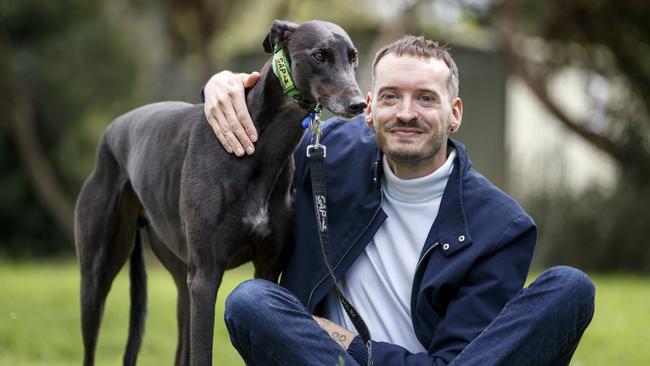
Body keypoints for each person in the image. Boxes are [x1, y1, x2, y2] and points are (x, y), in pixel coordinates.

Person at [202, 35, 595, 365]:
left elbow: (461, 359)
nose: (406, 113)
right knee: (252, 300)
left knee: (571, 288)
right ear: (369, 110)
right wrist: (221, 85)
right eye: (391, 97)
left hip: (357, 352)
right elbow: (247, 125)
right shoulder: (322, 155)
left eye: (425, 99)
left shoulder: (500, 227)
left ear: (453, 113)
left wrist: (345, 339)